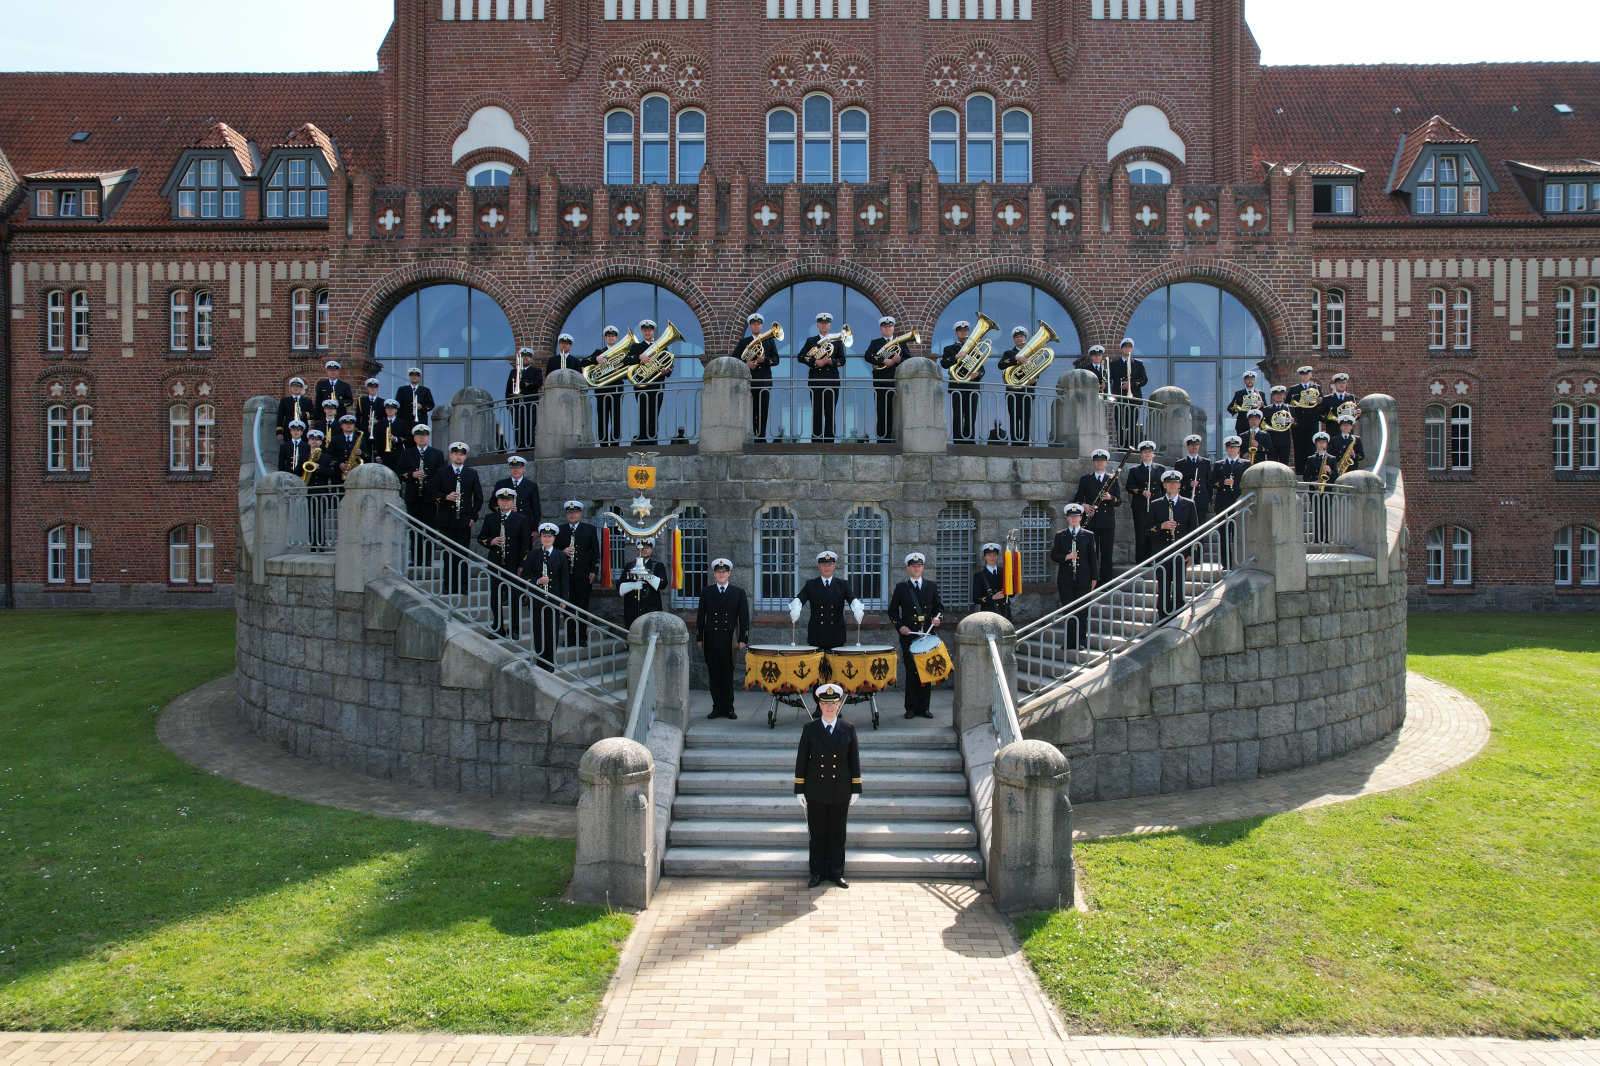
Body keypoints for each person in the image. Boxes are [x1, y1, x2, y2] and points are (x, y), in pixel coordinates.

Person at [795, 683, 861, 889]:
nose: (829, 707)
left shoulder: (848, 728)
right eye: (825, 703)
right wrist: (799, 789)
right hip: (816, 789)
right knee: (817, 834)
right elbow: (802, 760)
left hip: (840, 789)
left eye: (833, 703)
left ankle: (836, 872)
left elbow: (854, 760)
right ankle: (817, 872)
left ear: (839, 704)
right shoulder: (810, 729)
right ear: (819, 705)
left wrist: (856, 788)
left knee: (838, 834)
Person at [888, 553, 943, 720]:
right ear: (908, 568)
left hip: (927, 633)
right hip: (909, 633)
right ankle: (911, 707)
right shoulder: (901, 587)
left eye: (919, 566)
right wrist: (900, 626)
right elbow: (892, 611)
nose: (916, 568)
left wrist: (937, 619)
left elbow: (939, 608)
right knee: (912, 671)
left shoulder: (931, 585)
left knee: (926, 670)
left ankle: (924, 708)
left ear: (923, 568)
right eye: (913, 566)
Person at [697, 558, 750, 720]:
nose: (721, 574)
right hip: (711, 638)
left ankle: (728, 707)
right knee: (714, 675)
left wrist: (743, 638)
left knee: (727, 674)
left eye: (724, 572)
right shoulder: (707, 592)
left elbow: (744, 617)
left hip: (729, 639)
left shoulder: (738, 592)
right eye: (718, 572)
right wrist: (700, 637)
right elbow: (701, 616)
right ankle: (716, 707)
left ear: (729, 573)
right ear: (714, 574)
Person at [428, 442, 484, 595]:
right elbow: (433, 492)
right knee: (448, 554)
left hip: (464, 520)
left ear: (465, 457)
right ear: (451, 455)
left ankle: (463, 585)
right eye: (456, 454)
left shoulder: (471, 473)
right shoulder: (442, 472)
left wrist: (473, 518)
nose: (458, 457)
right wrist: (446, 497)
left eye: (461, 454)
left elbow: (478, 498)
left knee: (462, 554)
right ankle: (449, 586)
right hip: (446, 519)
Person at [479, 487, 532, 639]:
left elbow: (525, 544)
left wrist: (521, 565)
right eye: (502, 500)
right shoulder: (491, 518)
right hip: (496, 562)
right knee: (495, 597)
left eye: (508, 500)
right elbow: (481, 537)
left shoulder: (521, 519)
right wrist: (491, 541)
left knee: (514, 596)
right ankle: (498, 627)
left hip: (513, 563)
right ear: (498, 502)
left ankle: (514, 628)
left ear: (512, 502)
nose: (505, 503)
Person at [1148, 470, 1198, 614]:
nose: (1172, 485)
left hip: (1181, 553)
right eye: (1169, 483)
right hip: (1162, 552)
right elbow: (1147, 529)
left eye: (1175, 483)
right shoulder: (1156, 504)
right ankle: (1163, 616)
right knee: (1163, 587)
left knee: (1178, 587)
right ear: (1164, 485)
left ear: (1179, 485)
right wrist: (1161, 526)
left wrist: (1192, 554)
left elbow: (1194, 532)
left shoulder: (1189, 504)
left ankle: (1177, 615)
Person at [792, 551, 861, 654]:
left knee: (835, 663)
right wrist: (796, 608)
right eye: (824, 564)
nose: (827, 567)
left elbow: (852, 598)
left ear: (834, 566)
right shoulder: (811, 584)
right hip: (817, 634)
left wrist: (857, 608)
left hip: (836, 634)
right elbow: (800, 598)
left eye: (829, 564)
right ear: (819, 566)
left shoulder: (842, 584)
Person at [1051, 504, 1099, 650]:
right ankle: (1069, 641)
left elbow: (1093, 558)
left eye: (1076, 516)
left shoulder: (1088, 535)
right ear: (1067, 518)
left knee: (1082, 611)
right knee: (1068, 610)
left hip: (1084, 578)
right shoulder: (1060, 535)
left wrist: (1094, 578)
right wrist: (1066, 557)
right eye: (1071, 516)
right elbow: (1054, 555)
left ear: (1081, 517)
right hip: (1066, 579)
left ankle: (1081, 641)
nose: (1073, 518)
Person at [555, 501, 602, 646]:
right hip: (565, 575)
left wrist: (594, 570)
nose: (572, 515)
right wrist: (562, 552)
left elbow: (595, 551)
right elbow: (553, 550)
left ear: (580, 513)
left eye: (575, 512)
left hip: (583, 574)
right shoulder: (560, 530)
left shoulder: (589, 529)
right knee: (567, 606)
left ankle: (582, 637)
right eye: (569, 513)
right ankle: (570, 637)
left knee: (582, 606)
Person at [397, 424, 444, 565]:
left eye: (424, 436)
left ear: (428, 437)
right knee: (414, 529)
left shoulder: (437, 453)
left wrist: (438, 497)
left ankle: (428, 558)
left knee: (430, 529)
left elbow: (441, 476)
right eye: (419, 436)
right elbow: (399, 472)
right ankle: (416, 558)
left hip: (430, 497)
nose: (422, 438)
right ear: (414, 438)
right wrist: (412, 474)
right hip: (413, 497)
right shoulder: (407, 453)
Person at [525, 522, 570, 669]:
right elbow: (524, 576)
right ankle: (540, 659)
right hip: (536, 597)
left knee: (551, 630)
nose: (547, 539)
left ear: (554, 538)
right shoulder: (532, 555)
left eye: (549, 537)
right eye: (544, 536)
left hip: (553, 597)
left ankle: (550, 661)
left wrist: (563, 600)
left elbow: (564, 579)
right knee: (538, 629)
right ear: (540, 538)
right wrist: (537, 581)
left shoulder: (561, 556)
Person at [1073, 448, 1121, 584]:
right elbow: (1077, 499)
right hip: (1091, 522)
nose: (1100, 463)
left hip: (1107, 522)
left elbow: (1118, 501)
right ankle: (1092, 580)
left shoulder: (1112, 479)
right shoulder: (1085, 479)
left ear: (1106, 462)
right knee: (1091, 552)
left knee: (1107, 553)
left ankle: (1106, 581)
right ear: (1094, 462)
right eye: (1097, 460)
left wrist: (1110, 498)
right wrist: (1083, 505)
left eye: (1102, 460)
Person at [797, 312, 843, 443]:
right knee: (817, 412)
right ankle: (816, 441)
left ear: (830, 325)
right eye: (821, 323)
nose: (824, 325)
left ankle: (829, 442)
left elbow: (842, 360)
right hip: (816, 380)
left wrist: (831, 362)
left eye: (826, 323)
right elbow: (801, 356)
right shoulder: (811, 341)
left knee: (830, 412)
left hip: (832, 381)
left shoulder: (837, 341)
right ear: (817, 325)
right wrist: (815, 362)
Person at [734, 312, 780, 442]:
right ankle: (751, 437)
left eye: (758, 324)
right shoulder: (744, 342)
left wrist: (764, 360)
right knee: (750, 410)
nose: (756, 326)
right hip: (750, 381)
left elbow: (776, 360)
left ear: (762, 326)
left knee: (763, 410)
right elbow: (734, 359)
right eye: (754, 324)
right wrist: (746, 364)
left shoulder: (769, 341)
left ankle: (761, 438)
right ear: (750, 327)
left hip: (764, 380)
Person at [584, 325, 631, 447]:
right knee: (602, 417)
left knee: (616, 417)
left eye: (613, 336)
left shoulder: (622, 353)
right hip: (602, 390)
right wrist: (595, 359)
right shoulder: (599, 352)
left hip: (616, 389)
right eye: (609, 336)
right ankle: (603, 444)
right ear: (605, 338)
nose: (611, 338)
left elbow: (628, 373)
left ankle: (615, 444)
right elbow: (583, 362)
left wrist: (618, 371)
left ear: (616, 338)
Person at [1208, 435, 1250, 568]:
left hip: (1239, 503)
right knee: (1224, 535)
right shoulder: (1219, 464)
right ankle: (1226, 563)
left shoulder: (1246, 464)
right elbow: (1212, 482)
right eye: (1230, 448)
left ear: (1239, 449)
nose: (1232, 449)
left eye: (1235, 447)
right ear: (1226, 449)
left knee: (1239, 534)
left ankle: (1240, 561)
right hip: (1223, 504)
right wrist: (1222, 482)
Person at [940, 319, 984, 444]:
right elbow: (944, 363)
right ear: (956, 332)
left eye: (965, 331)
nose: (963, 333)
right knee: (958, 414)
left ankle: (970, 440)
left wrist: (977, 374)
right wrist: (956, 357)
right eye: (960, 331)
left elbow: (982, 369)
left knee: (971, 415)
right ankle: (958, 440)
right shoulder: (950, 348)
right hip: (957, 385)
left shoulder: (975, 349)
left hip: (972, 386)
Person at [862, 315, 904, 443]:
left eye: (890, 326)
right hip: (880, 382)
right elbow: (868, 356)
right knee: (881, 411)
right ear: (881, 329)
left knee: (896, 412)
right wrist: (883, 360)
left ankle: (895, 440)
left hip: (896, 382)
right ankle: (882, 440)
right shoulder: (875, 343)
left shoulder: (900, 343)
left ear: (893, 328)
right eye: (885, 327)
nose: (887, 328)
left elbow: (909, 359)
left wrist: (900, 359)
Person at [629, 319, 672, 445]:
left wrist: (666, 371)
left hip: (656, 385)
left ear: (653, 331)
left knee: (654, 413)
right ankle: (642, 438)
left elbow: (669, 364)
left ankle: (653, 440)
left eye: (649, 330)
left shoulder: (662, 346)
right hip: (641, 386)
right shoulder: (637, 347)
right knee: (643, 413)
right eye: (645, 330)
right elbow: (626, 360)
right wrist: (639, 357)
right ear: (642, 332)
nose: (647, 332)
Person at [1124, 440, 1165, 562]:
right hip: (1140, 506)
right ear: (1141, 454)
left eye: (1149, 452)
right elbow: (1129, 486)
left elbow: (1164, 488)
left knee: (1155, 530)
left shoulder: (1160, 469)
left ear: (1153, 454)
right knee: (1141, 532)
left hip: (1156, 505)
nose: (1147, 454)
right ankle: (1141, 558)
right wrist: (1142, 492)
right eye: (1144, 452)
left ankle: (1154, 557)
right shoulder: (1135, 470)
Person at [996, 325, 1035, 445]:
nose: (1019, 338)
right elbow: (1001, 365)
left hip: (1027, 391)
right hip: (1013, 391)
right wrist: (1016, 358)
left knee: (1026, 419)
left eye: (1021, 336)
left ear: (1025, 338)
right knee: (1014, 418)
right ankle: (1014, 442)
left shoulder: (1031, 354)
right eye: (1017, 337)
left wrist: (1034, 379)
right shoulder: (1009, 353)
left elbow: (1036, 369)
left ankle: (1025, 443)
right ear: (1014, 339)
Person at [622, 538, 669, 629]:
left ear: (651, 549)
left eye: (647, 547)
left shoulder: (657, 566)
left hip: (651, 610)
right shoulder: (629, 566)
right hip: (632, 611)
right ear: (637, 549)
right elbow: (619, 586)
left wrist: (646, 575)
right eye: (641, 547)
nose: (643, 550)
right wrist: (632, 586)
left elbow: (663, 584)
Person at [1301, 431, 1338, 544]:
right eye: (1319, 443)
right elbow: (1305, 476)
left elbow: (1336, 476)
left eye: (1323, 442)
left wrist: (1330, 471)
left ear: (1327, 444)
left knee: (1326, 514)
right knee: (1317, 514)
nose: (1322, 445)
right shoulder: (1311, 459)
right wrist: (1313, 482)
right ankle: (1317, 538)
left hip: (1327, 490)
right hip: (1315, 490)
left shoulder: (1332, 459)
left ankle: (1326, 538)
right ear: (1316, 444)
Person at [505, 347, 542, 452]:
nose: (525, 358)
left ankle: (529, 447)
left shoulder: (536, 371)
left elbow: (538, 382)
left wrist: (523, 383)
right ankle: (519, 447)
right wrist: (509, 404)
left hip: (530, 405)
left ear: (531, 359)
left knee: (529, 427)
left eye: (527, 356)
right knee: (517, 427)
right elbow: (509, 388)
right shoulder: (514, 371)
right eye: (523, 356)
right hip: (517, 406)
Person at [1287, 365, 1323, 469]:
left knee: (1311, 447)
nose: (1305, 376)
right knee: (1299, 447)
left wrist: (1320, 401)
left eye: (1307, 374)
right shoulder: (1294, 389)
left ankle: (1311, 469)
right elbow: (1288, 405)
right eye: (1303, 375)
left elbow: (1322, 405)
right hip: (1298, 422)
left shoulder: (1316, 388)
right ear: (1299, 376)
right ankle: (1299, 470)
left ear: (1311, 375)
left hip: (1312, 421)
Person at [1172, 433, 1213, 521]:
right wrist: (1189, 484)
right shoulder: (1180, 463)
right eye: (1191, 445)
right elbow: (1176, 482)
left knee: (1201, 524)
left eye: (1196, 445)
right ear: (1187, 447)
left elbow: (1209, 482)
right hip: (1186, 497)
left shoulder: (1205, 462)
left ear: (1199, 446)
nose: (1194, 447)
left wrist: (1209, 499)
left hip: (1201, 499)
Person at [494, 456, 541, 528]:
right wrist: (504, 509)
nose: (515, 470)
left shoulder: (531, 485)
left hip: (524, 524)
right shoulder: (501, 484)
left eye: (518, 468)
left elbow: (536, 508)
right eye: (513, 468)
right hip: (505, 522)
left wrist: (535, 528)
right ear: (510, 468)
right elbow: (492, 503)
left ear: (523, 468)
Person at [971, 543, 1011, 621]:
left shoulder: (1004, 572)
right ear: (985, 557)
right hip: (989, 612)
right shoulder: (979, 575)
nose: (992, 558)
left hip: (1004, 610)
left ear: (997, 556)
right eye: (989, 555)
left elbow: (1012, 594)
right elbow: (976, 598)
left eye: (994, 555)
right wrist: (993, 597)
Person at [395, 368, 435, 440]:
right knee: (407, 440)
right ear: (409, 377)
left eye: (416, 376)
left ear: (419, 378)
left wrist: (421, 406)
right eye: (412, 376)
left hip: (420, 420)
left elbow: (431, 404)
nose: (414, 377)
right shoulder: (402, 390)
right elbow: (398, 406)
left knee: (420, 439)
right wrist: (399, 421)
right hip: (406, 420)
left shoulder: (425, 390)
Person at [1261, 384, 1296, 466]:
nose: (1279, 396)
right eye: (1276, 394)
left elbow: (1296, 424)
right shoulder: (1267, 409)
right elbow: (1263, 425)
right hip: (1272, 440)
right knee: (1271, 464)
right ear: (1273, 396)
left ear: (1284, 396)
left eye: (1281, 394)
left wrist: (1293, 422)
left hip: (1284, 440)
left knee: (1284, 464)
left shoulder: (1289, 408)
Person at [1319, 372, 1359, 440]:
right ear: (1335, 384)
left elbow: (1355, 416)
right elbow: (1319, 415)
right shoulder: (1327, 399)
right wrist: (1329, 419)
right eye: (1339, 383)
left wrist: (1358, 413)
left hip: (1347, 432)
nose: (1341, 385)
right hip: (1333, 431)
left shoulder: (1352, 398)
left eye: (1343, 383)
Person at [1225, 370, 1265, 436]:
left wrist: (1262, 406)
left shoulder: (1260, 394)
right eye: (1248, 379)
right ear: (1244, 381)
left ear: (1254, 381)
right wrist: (1239, 408)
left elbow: (1265, 411)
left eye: (1252, 379)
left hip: (1256, 425)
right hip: (1242, 424)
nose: (1250, 381)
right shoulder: (1239, 394)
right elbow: (1230, 408)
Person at [355, 377, 386, 445]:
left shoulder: (382, 402)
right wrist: (357, 431)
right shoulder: (361, 401)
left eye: (374, 387)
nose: (372, 389)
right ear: (367, 388)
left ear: (377, 388)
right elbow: (358, 416)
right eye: (370, 387)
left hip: (378, 430)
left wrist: (377, 421)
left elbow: (385, 418)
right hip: (364, 430)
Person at [377, 399, 404, 469]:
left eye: (392, 408)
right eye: (388, 408)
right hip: (384, 455)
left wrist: (396, 439)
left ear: (396, 410)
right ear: (385, 410)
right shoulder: (380, 423)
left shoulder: (402, 423)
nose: (390, 410)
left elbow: (407, 438)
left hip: (397, 454)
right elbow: (377, 440)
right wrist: (377, 456)